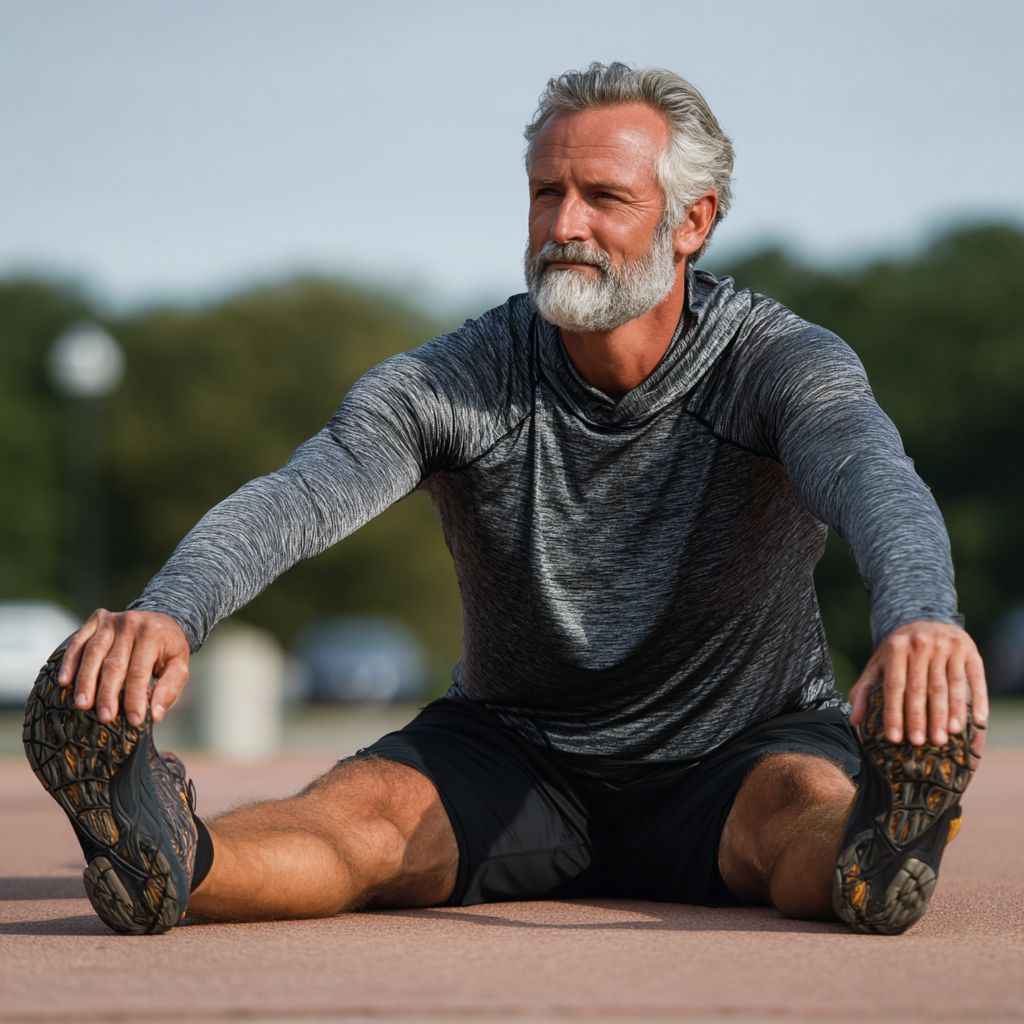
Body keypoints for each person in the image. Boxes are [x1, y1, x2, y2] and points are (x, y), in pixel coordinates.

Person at [24, 62, 986, 938]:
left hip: (739, 750)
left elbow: (874, 477)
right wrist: (169, 610)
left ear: (691, 221)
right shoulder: (459, 379)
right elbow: (302, 491)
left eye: (604, 197)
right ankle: (166, 850)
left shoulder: (776, 364)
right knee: (357, 819)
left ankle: (884, 835)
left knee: (801, 808)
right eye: (545, 192)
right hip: (514, 747)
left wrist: (922, 619)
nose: (564, 225)